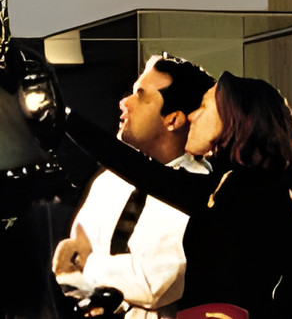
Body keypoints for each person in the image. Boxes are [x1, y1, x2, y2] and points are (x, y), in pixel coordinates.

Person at [67, 71, 292, 319]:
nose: (192, 117)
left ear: (231, 118)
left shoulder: (250, 189)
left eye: (203, 107)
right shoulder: (227, 185)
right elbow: (143, 172)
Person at [54, 54, 215, 318]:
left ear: (173, 120)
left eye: (140, 95)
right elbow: (68, 265)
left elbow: (153, 283)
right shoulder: (109, 180)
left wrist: (86, 267)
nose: (124, 103)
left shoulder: (197, 189)